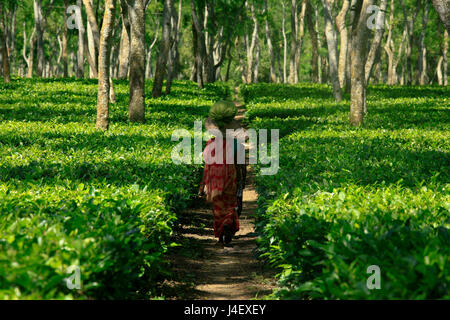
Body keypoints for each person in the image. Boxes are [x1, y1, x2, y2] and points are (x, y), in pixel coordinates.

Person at [198, 101, 247, 248]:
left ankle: (221, 229)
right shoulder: (235, 143)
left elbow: (207, 165)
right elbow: (241, 164)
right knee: (230, 204)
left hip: (214, 178)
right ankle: (227, 224)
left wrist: (203, 184)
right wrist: (241, 178)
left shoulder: (209, 144)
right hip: (230, 175)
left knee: (218, 206)